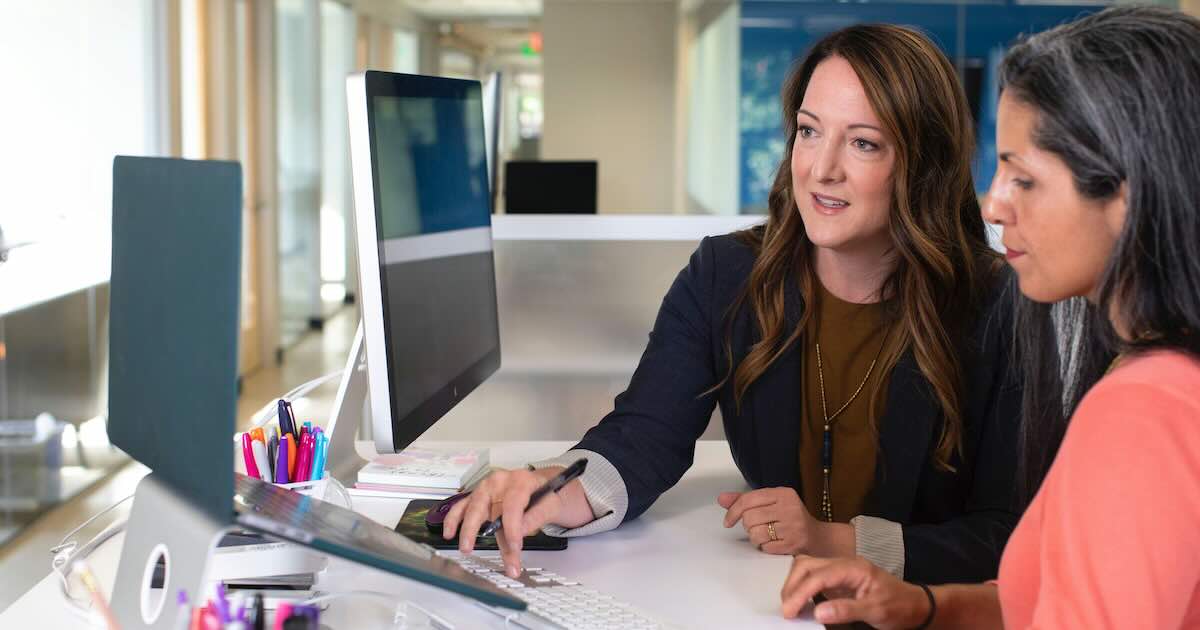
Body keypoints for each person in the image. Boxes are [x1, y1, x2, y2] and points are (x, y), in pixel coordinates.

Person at [446, 24, 1022, 586]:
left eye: (863, 143)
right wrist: (548, 490)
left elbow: (1007, 532)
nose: (821, 169)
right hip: (778, 601)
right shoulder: (727, 275)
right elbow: (644, 435)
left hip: (929, 611)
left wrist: (836, 540)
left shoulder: (997, 307)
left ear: (922, 167)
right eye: (809, 131)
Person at [779, 7, 1200, 628]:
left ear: (1127, 196)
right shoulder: (1151, 375)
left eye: (1023, 179)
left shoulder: (1144, 411)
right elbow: (1059, 600)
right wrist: (922, 606)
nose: (994, 203)